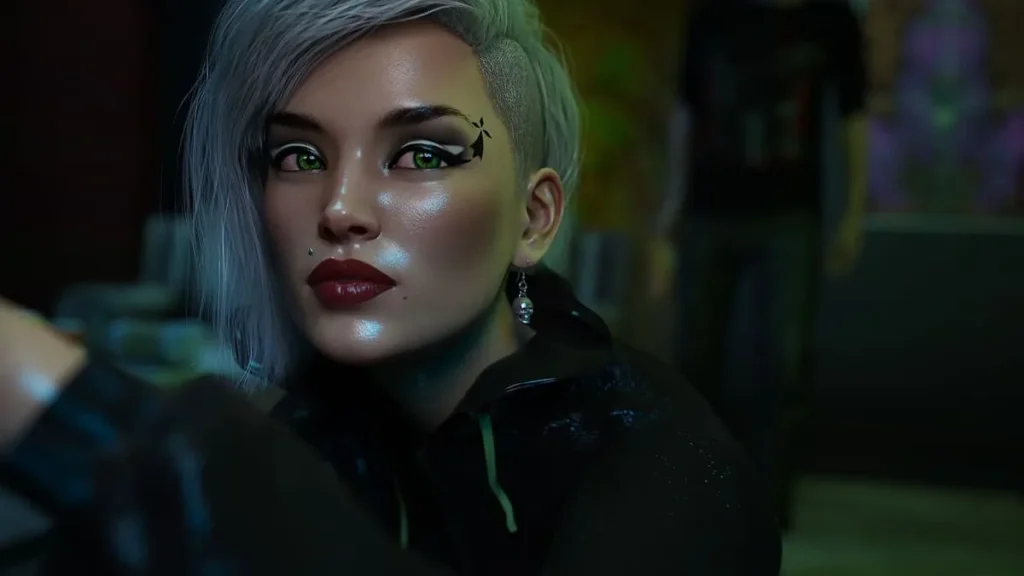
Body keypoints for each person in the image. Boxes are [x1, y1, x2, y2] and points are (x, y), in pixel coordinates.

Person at [0, 0, 782, 574]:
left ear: (534, 217)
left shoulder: (660, 471)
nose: (339, 209)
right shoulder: (313, 427)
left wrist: (73, 414)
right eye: (300, 158)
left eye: (421, 155)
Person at [651, 0, 867, 530]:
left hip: (790, 215)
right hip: (710, 210)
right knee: (695, 357)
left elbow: (852, 115)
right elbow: (687, 114)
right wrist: (671, 212)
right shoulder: (711, 17)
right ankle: (694, 492)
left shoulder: (830, 20)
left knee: (784, 365)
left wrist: (853, 212)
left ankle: (768, 504)